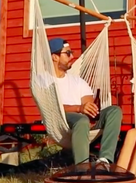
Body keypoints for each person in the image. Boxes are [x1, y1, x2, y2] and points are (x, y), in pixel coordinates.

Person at [47, 37, 122, 165]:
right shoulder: (44, 80)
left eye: (72, 53)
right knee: (81, 120)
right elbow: (51, 107)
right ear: (55, 57)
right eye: (68, 53)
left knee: (115, 111)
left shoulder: (78, 82)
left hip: (83, 122)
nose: (72, 57)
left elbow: (88, 105)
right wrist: (79, 109)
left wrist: (88, 109)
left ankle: (104, 160)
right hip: (60, 121)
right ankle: (82, 166)